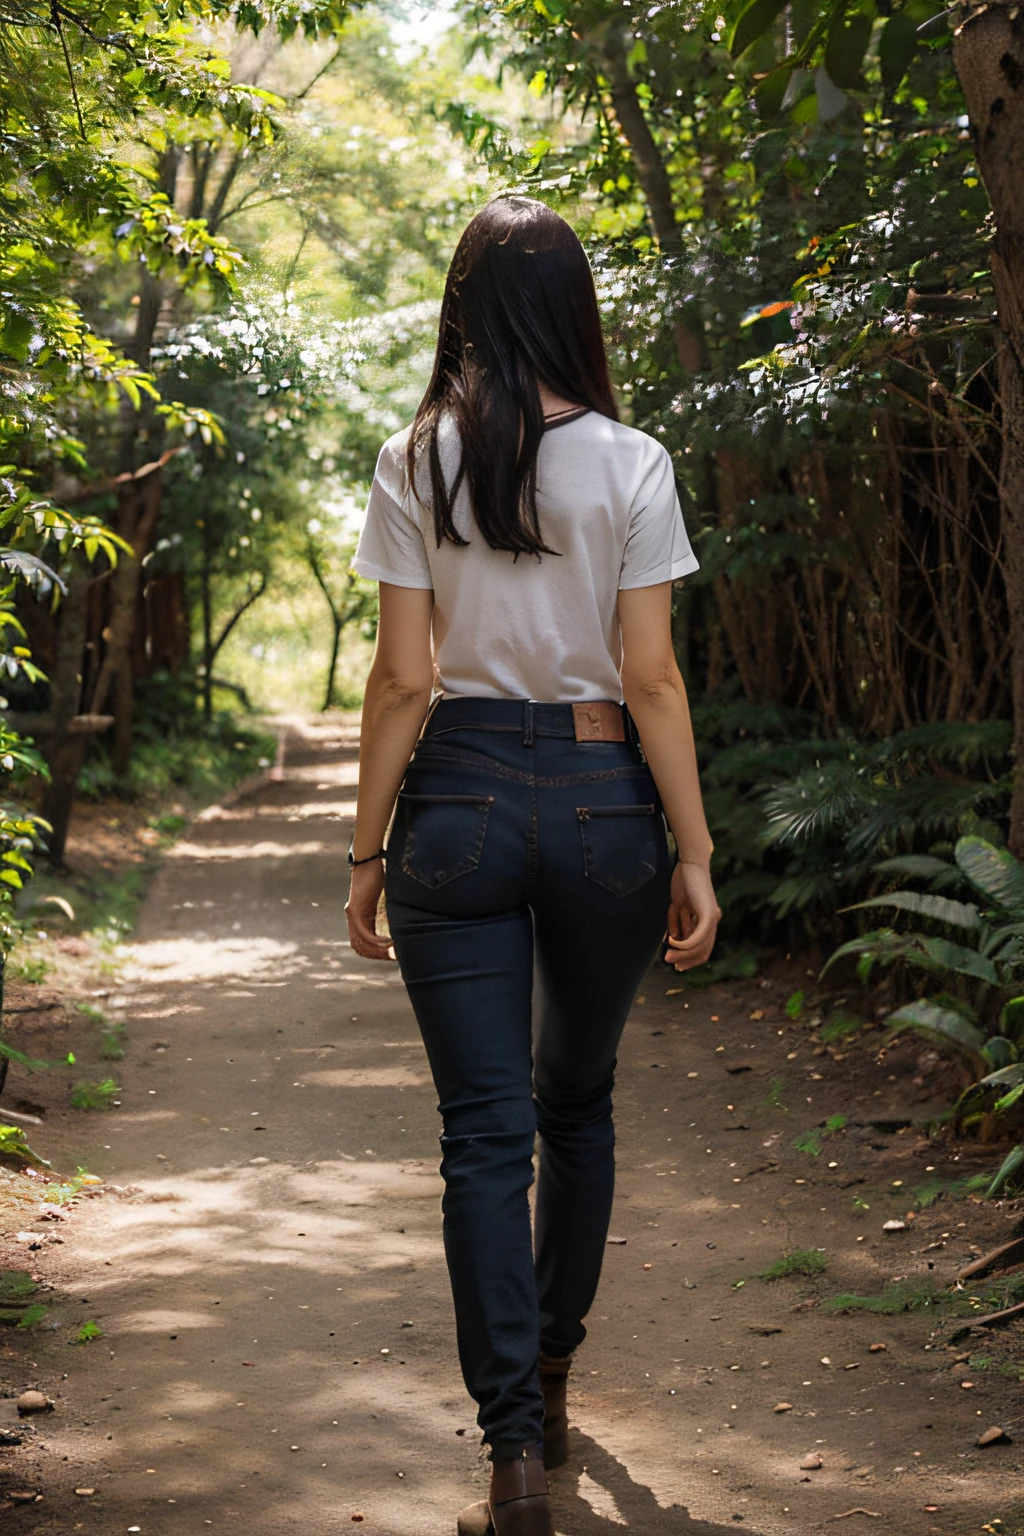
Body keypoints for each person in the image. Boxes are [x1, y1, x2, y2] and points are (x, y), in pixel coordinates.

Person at [345, 195, 720, 1536]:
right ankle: (552, 1375)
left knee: (482, 1138)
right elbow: (653, 675)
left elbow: (402, 680)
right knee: (578, 1105)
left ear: (464, 302)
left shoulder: (415, 458)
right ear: (574, 308)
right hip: (602, 800)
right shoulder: (632, 459)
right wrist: (695, 848)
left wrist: (364, 849)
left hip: (456, 800)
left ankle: (511, 1453)